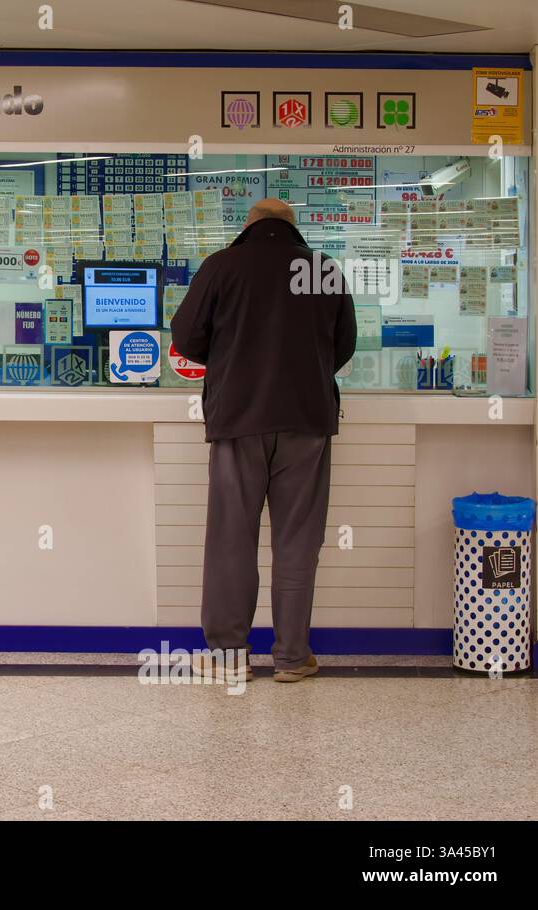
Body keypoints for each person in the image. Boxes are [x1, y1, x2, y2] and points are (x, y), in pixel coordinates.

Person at [170, 198, 356, 683]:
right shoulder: (324, 269)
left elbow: (185, 337)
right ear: (292, 228)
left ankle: (229, 658)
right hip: (307, 421)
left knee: (232, 537)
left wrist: (232, 360)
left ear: (249, 227)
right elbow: (345, 345)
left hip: (238, 419)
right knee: (298, 540)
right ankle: (293, 658)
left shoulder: (221, 266)